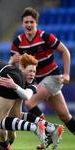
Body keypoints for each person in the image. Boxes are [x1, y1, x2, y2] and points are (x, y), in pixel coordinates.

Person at [9, 7, 75, 135]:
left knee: (29, 102)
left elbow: (65, 51)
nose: (29, 24)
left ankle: (48, 132)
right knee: (65, 115)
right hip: (39, 80)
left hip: (53, 76)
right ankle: (49, 131)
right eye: (26, 22)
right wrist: (12, 61)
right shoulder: (17, 42)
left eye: (31, 22)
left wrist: (66, 74)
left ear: (36, 23)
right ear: (22, 24)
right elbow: (18, 68)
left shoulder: (45, 37)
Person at [0, 53, 64, 150]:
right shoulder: (12, 76)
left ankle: (36, 129)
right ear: (21, 68)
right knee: (11, 121)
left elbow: (27, 95)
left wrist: (14, 86)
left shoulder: (29, 83)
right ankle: (51, 127)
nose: (32, 74)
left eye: (34, 71)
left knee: (1, 125)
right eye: (30, 71)